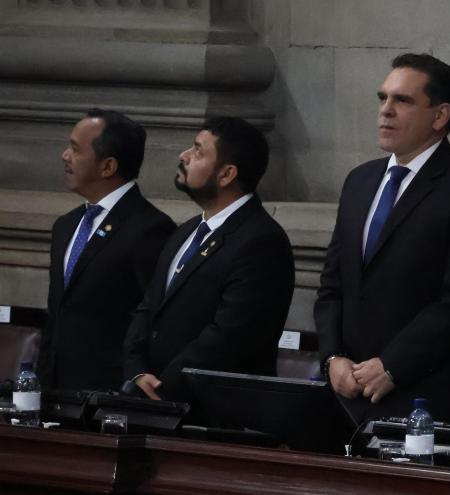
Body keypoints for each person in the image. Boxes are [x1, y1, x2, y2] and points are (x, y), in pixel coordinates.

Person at [314, 53, 450, 429]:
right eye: (382, 98)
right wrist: (332, 356)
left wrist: (393, 365)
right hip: (346, 396)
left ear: (440, 116)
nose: (385, 110)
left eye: (402, 101)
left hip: (425, 397)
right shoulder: (360, 181)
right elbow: (333, 282)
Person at [123, 117, 295, 402]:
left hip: (211, 413)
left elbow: (230, 336)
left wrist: (164, 387)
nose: (184, 156)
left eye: (198, 151)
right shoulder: (185, 232)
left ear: (226, 174)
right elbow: (148, 308)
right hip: (155, 404)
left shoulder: (261, 241)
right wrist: (137, 371)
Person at [38, 109, 175, 392]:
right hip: (55, 391)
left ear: (107, 167)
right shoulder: (66, 226)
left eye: (75, 149)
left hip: (110, 397)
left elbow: (154, 318)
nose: (65, 155)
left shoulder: (150, 229)